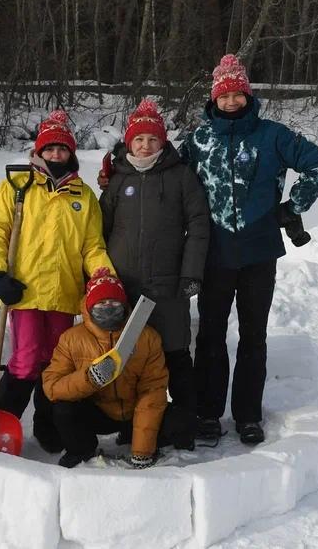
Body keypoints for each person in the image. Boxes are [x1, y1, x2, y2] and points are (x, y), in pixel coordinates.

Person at [181, 54, 318, 445]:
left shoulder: (273, 135)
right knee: (210, 336)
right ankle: (208, 413)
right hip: (213, 254)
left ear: (248, 95)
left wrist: (290, 208)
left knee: (254, 336)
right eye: (224, 95)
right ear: (213, 99)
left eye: (237, 94)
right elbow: (169, 180)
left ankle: (248, 415)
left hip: (259, 254)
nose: (231, 101)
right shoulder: (198, 140)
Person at [0, 110, 114, 453]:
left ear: (71, 153)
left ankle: (47, 424)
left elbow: (92, 246)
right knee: (25, 361)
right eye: (50, 149)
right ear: (38, 152)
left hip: (63, 293)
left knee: (55, 364)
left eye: (63, 149)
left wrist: (103, 276)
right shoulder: (17, 187)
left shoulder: (82, 196)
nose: (56, 155)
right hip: (24, 292)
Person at [98, 99, 210, 450]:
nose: (145, 145)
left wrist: (191, 272)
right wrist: (102, 279)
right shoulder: (117, 180)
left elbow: (198, 224)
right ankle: (131, 424)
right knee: (129, 356)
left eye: (152, 139)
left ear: (163, 143)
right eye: (139, 139)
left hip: (168, 286)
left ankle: (184, 425)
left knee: (176, 355)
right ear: (128, 143)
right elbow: (100, 230)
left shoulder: (180, 177)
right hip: (126, 285)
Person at [43, 269, 186, 468]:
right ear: (90, 305)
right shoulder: (72, 338)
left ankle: (134, 436)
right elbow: (52, 386)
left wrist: (142, 451)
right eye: (101, 303)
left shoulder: (147, 337)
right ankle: (82, 449)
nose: (108, 308)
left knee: (181, 423)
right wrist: (90, 378)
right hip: (98, 413)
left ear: (124, 304)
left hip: (134, 409)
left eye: (114, 302)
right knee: (62, 410)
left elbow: (153, 390)